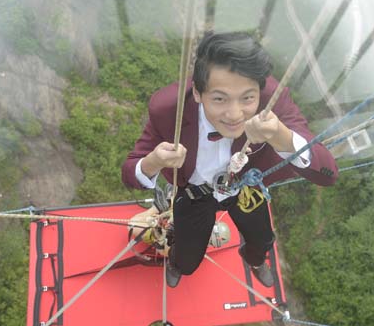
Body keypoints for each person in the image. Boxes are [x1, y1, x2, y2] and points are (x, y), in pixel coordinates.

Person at [122, 32, 338, 288]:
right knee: (188, 257)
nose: (235, 115)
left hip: (244, 187)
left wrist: (280, 135)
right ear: (199, 93)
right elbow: (130, 172)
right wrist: (154, 161)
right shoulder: (169, 109)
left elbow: (327, 173)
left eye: (247, 98)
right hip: (195, 194)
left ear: (259, 91)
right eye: (219, 99)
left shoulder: (272, 100)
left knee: (263, 238)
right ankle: (179, 264)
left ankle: (254, 259)